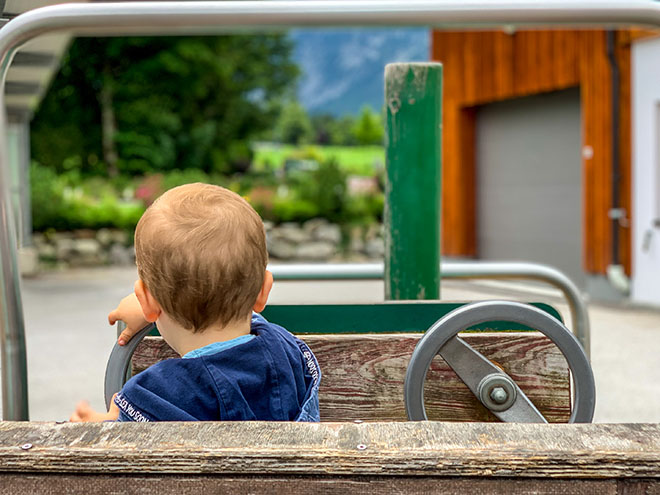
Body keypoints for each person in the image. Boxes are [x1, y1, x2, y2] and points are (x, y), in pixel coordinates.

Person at [69, 183, 321, 422]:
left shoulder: (152, 396)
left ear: (147, 303)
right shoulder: (287, 351)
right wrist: (153, 305)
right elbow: (252, 325)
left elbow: (120, 451)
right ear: (263, 291)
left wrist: (102, 426)